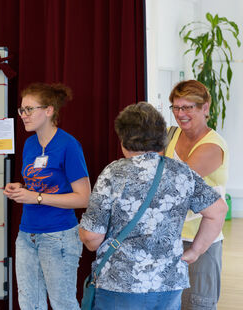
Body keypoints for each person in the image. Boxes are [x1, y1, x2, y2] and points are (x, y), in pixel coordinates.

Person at [79, 102, 228, 310]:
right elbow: (218, 210)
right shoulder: (181, 172)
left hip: (120, 284)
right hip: (168, 283)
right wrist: (195, 251)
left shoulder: (114, 173)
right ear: (162, 139)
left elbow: (92, 239)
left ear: (123, 138)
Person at [4, 83, 91, 310]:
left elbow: (83, 198)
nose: (24, 115)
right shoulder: (30, 144)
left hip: (59, 236)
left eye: (29, 109)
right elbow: (38, 183)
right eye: (22, 110)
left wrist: (36, 197)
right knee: (29, 303)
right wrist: (20, 188)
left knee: (63, 304)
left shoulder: (69, 145)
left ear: (49, 110)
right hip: (27, 236)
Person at [166, 80, 229, 309]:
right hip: (170, 237)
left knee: (197, 304)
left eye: (188, 108)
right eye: (176, 107)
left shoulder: (212, 146)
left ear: (205, 108)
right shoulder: (170, 134)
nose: (180, 114)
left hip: (200, 241)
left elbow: (175, 185)